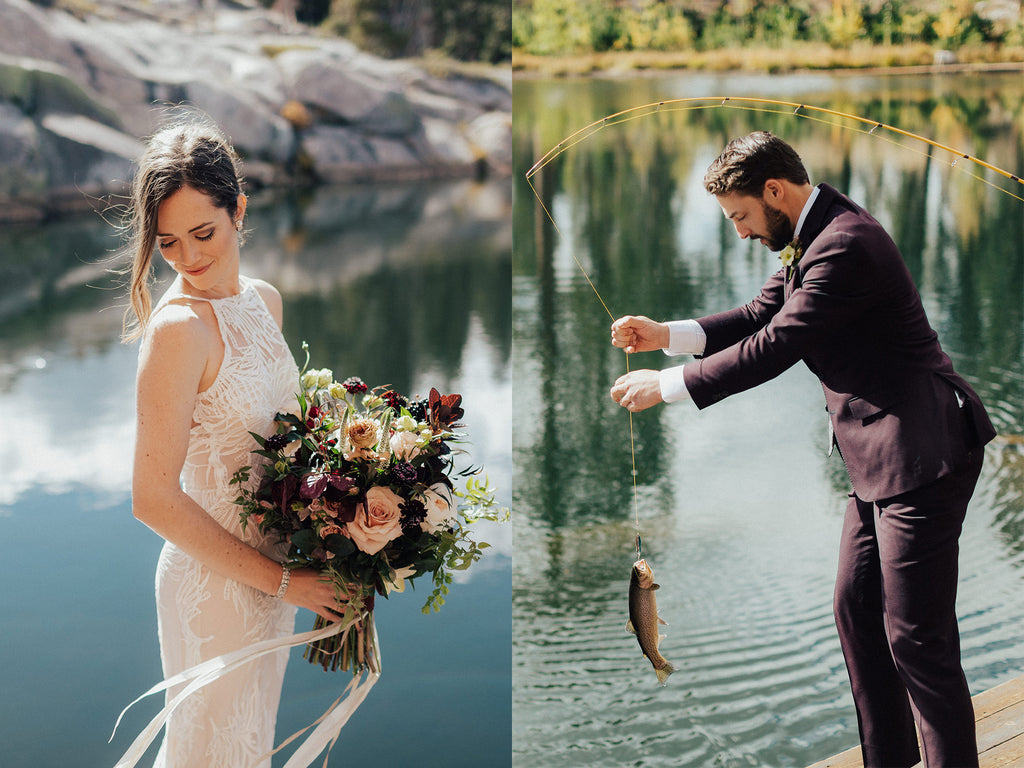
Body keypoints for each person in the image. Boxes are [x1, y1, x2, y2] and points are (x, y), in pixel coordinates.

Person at [609, 131, 995, 768]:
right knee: (857, 615)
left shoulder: (845, 244)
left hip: (923, 455)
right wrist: (665, 337)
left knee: (917, 641)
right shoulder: (811, 235)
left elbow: (777, 345)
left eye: (740, 216)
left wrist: (668, 386)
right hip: (878, 461)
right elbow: (760, 313)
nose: (739, 232)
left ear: (774, 191)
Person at [121, 118, 345, 767]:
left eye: (203, 233)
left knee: (246, 749)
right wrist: (283, 582)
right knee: (205, 754)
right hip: (215, 588)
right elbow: (152, 499)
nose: (189, 257)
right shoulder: (177, 334)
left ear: (238, 209)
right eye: (167, 242)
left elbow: (274, 440)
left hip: (276, 577)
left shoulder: (264, 301)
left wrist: (345, 505)